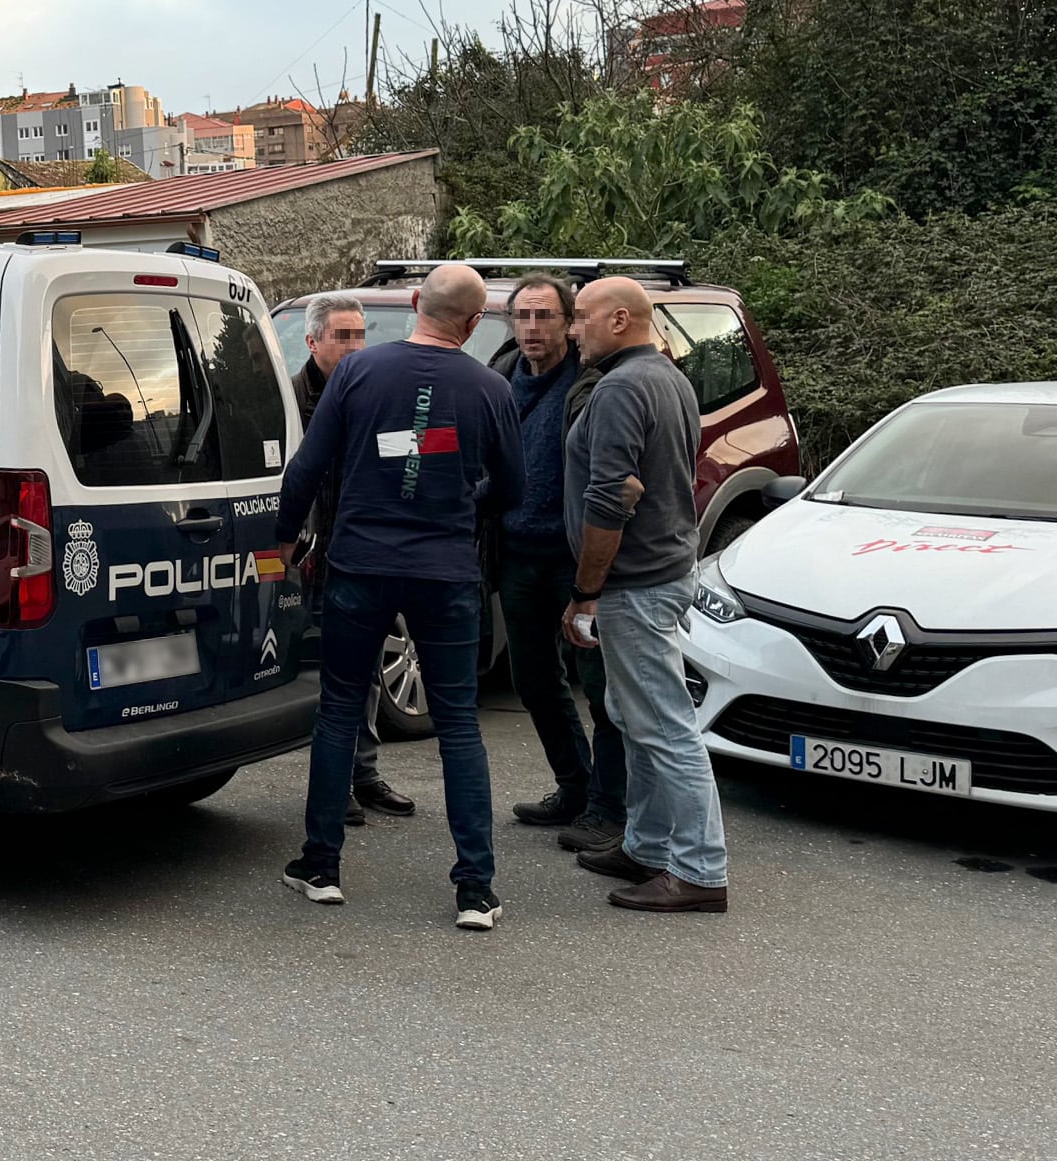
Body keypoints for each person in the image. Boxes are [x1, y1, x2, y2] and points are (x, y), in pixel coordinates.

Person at [274, 263, 522, 932]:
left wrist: (278, 547)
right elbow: (513, 490)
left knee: (337, 710)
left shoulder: (356, 372)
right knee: (460, 726)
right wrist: (459, 498)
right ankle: (475, 888)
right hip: (445, 572)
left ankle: (320, 865)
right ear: (473, 323)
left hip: (359, 566)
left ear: (415, 303)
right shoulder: (491, 387)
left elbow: (305, 469)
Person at [562, 276, 729, 913]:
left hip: (635, 583)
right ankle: (647, 846)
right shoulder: (666, 377)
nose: (574, 330)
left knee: (663, 724)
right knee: (636, 714)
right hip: (658, 574)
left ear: (621, 319)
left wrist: (586, 591)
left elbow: (613, 496)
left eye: (581, 317)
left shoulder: (623, 387)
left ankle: (699, 871)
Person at [486, 276, 627, 846]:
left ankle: (609, 807)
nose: (533, 328)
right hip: (518, 555)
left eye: (545, 316)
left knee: (597, 686)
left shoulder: (592, 384)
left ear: (569, 322)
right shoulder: (498, 382)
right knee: (532, 680)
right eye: (523, 316)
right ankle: (574, 785)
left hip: (576, 559)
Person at [289, 296, 415, 828]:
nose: (355, 346)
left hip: (364, 551)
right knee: (327, 676)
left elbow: (402, 455)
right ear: (313, 342)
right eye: (343, 336)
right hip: (310, 556)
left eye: (361, 335)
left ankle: (363, 773)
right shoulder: (289, 399)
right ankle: (332, 784)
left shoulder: (378, 393)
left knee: (362, 671)